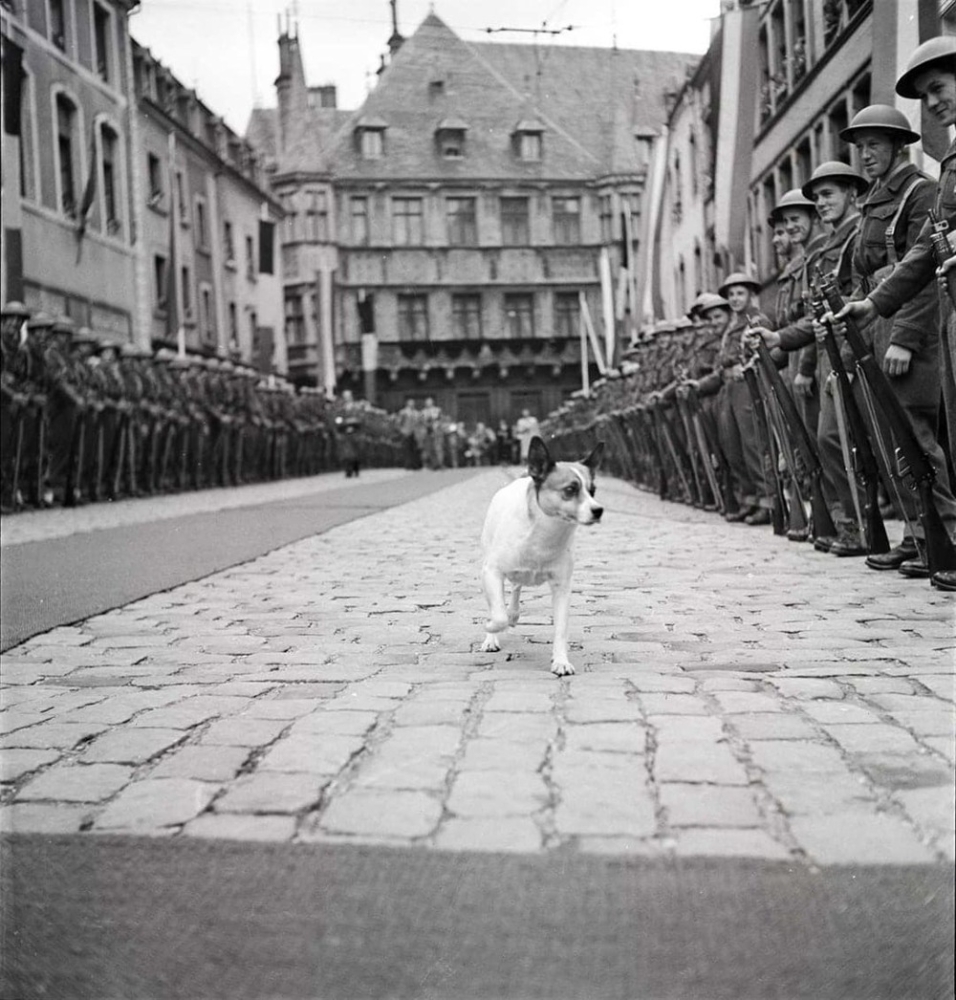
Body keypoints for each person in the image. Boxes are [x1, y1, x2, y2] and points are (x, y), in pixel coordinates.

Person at [835, 36, 956, 590]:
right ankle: (920, 533)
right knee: (893, 440)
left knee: (918, 438)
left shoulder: (919, 191)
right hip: (883, 325)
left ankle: (945, 536)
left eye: (875, 144)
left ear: (898, 145)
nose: (866, 155)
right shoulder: (878, 203)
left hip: (915, 331)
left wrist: (903, 334)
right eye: (860, 146)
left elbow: (926, 269)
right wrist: (871, 305)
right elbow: (917, 258)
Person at [397, 397, 421, 470]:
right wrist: (401, 430)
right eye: (410, 403)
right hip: (406, 432)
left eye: (413, 403)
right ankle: (408, 465)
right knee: (407, 449)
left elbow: (420, 422)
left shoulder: (417, 413)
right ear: (407, 404)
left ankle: (415, 464)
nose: (412, 404)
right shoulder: (403, 412)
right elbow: (398, 422)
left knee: (415, 449)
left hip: (415, 433)